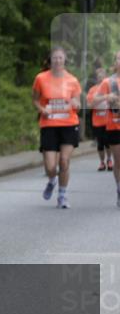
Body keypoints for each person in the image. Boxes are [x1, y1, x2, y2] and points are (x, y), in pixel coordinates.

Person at [31, 47, 82, 209]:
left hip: (68, 124)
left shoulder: (72, 80)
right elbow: (35, 100)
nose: (58, 61)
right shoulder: (41, 78)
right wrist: (41, 109)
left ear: (65, 60)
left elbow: (78, 105)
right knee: (50, 166)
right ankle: (52, 180)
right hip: (49, 125)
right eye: (55, 58)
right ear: (50, 60)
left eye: (61, 58)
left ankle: (62, 195)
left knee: (64, 161)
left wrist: (76, 104)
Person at [90, 50, 120, 207]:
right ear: (115, 63)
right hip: (114, 125)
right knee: (118, 160)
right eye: (118, 59)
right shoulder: (108, 82)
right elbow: (93, 101)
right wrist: (106, 97)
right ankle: (119, 189)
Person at [86, 66, 112, 171]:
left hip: (108, 121)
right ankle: (102, 162)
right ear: (96, 78)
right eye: (99, 77)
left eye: (102, 77)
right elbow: (89, 105)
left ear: (106, 77)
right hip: (97, 121)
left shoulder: (110, 89)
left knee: (108, 142)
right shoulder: (92, 90)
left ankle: (109, 160)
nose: (101, 79)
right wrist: (96, 102)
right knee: (100, 143)